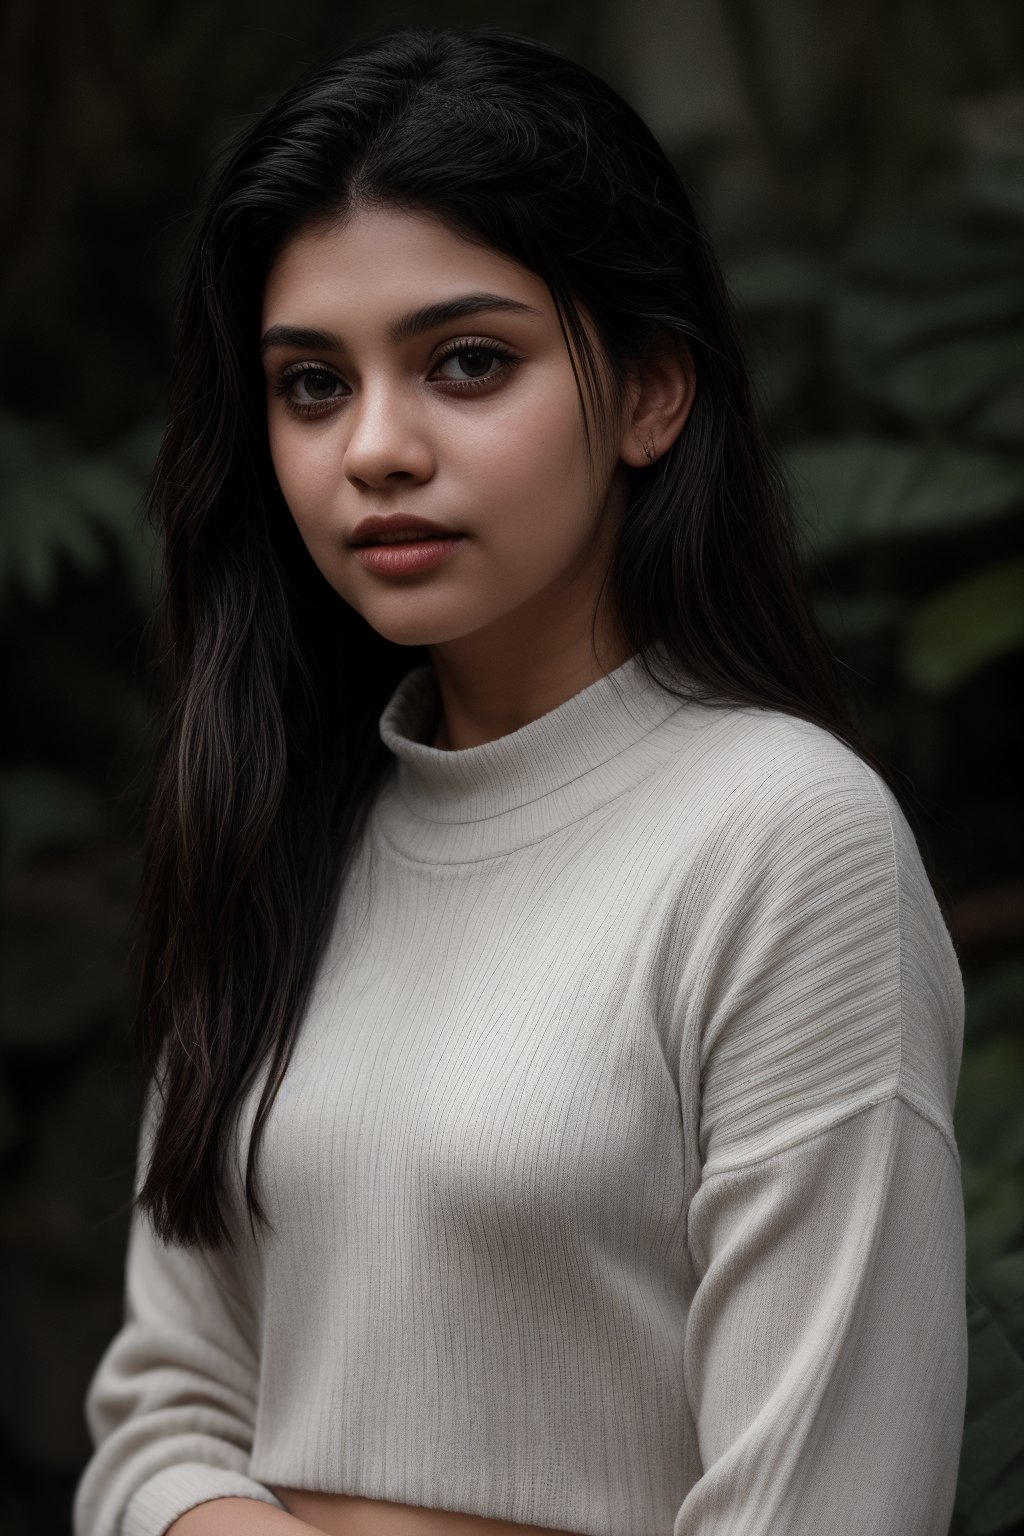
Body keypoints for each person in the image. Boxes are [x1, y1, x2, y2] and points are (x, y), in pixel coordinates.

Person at [72, 24, 968, 1536]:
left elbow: (826, 1503)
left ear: (651, 394)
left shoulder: (779, 839)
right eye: (308, 384)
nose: (375, 448)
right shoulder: (278, 818)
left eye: (466, 363)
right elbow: (157, 1420)